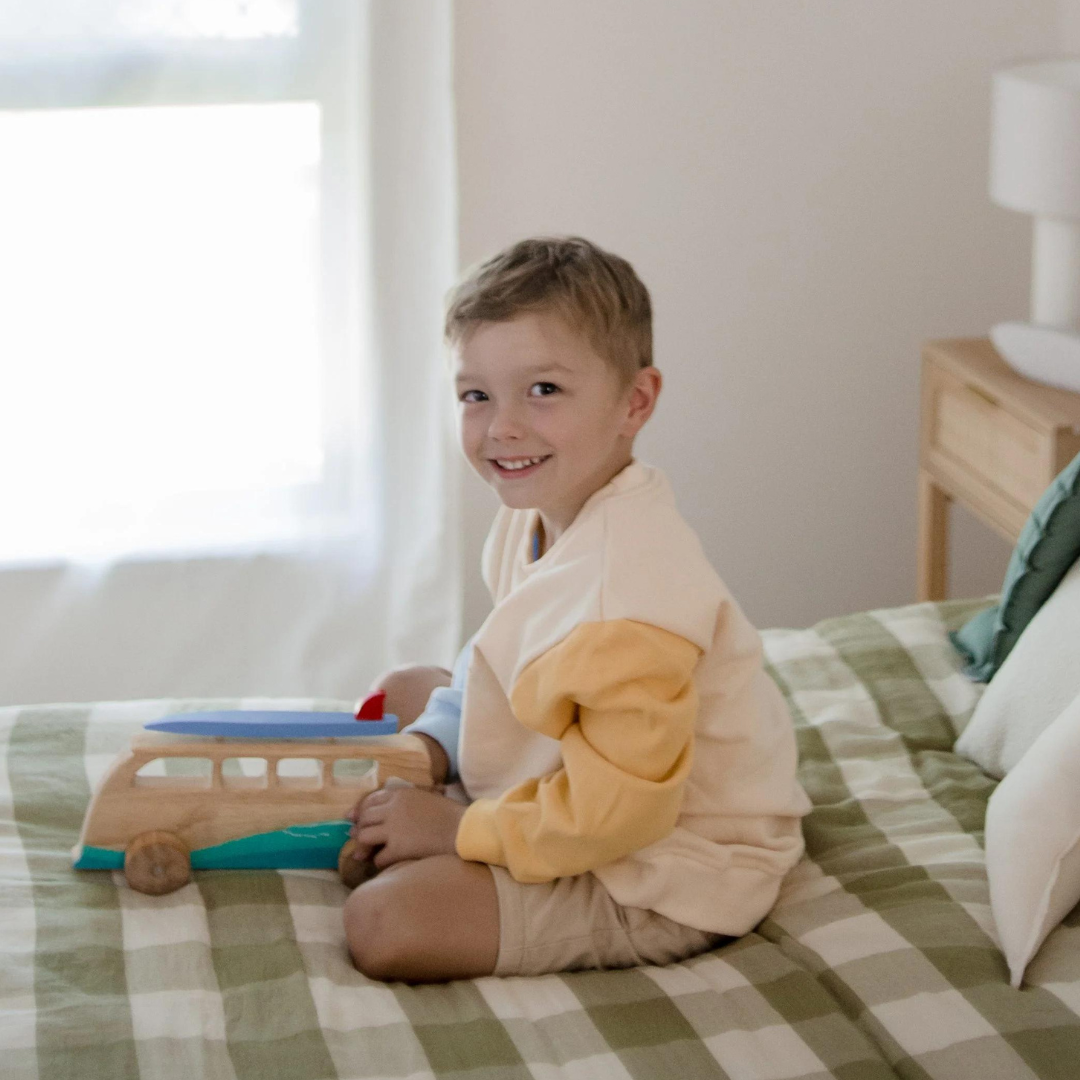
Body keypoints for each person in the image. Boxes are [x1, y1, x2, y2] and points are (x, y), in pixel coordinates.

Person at [343, 235, 811, 983]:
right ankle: (457, 805)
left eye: (544, 391)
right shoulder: (537, 510)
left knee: (386, 921)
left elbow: (622, 815)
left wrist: (462, 830)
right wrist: (433, 743)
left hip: (662, 860)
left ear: (636, 401)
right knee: (411, 689)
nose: (503, 427)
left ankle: (470, 836)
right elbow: (494, 657)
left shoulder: (625, 602)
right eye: (477, 395)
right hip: (586, 782)